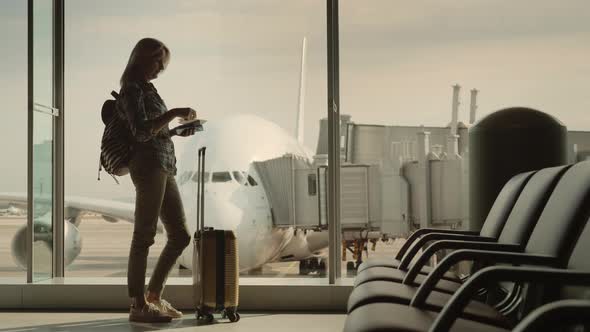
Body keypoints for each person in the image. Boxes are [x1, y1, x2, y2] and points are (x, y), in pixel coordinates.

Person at [119, 37, 196, 323]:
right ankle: (138, 305)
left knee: (181, 235)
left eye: (163, 66)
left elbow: (153, 132)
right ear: (142, 58)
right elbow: (140, 132)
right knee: (144, 235)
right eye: (157, 63)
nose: (160, 70)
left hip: (163, 163)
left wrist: (175, 132)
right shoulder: (131, 89)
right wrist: (174, 113)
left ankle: (153, 296)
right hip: (149, 166)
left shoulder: (148, 89)